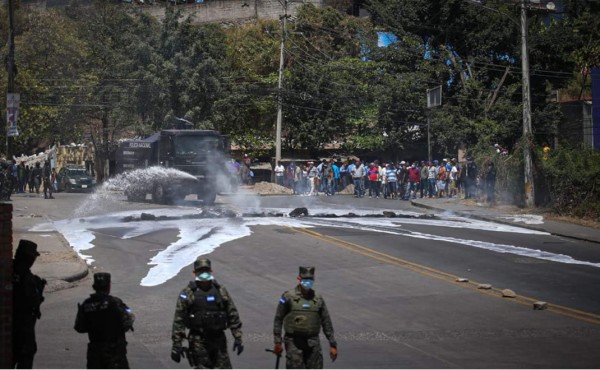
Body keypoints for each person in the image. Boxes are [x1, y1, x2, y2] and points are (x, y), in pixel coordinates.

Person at [171, 257, 243, 369]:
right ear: (194, 273)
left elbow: (232, 313)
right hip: (198, 341)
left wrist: (238, 337)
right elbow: (178, 320)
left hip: (219, 340)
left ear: (211, 271)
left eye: (206, 270)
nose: (203, 273)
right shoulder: (188, 293)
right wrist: (177, 344)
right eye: (200, 271)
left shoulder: (220, 290)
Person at [272, 267, 337, 369]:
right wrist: (278, 342)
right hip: (294, 342)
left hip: (313, 343)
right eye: (305, 280)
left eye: (310, 280)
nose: (308, 283)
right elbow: (278, 319)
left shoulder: (318, 298)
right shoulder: (288, 296)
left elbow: (326, 321)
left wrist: (332, 344)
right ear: (299, 278)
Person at [74, 272, 135, 369]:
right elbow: (129, 320)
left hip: (95, 353)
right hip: (114, 353)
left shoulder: (86, 304)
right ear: (109, 286)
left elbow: (79, 327)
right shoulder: (114, 302)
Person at [13, 240, 46, 369]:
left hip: (11, 322)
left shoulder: (7, 269)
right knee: (26, 355)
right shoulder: (28, 278)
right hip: (23, 324)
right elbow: (33, 301)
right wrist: (39, 289)